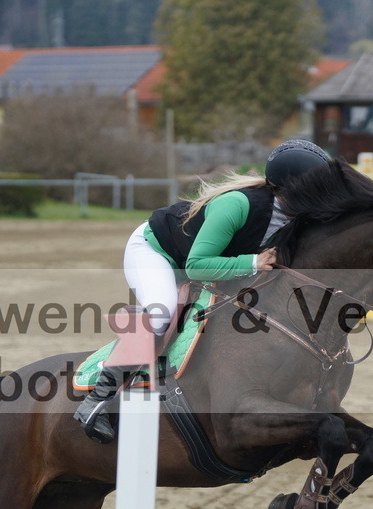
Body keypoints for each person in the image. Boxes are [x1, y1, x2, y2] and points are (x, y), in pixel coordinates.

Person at [74, 139, 332, 443]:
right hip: (157, 253)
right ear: (292, 190)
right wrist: (253, 262)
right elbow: (197, 266)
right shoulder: (238, 204)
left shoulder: (298, 217)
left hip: (205, 259)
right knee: (163, 311)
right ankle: (97, 400)